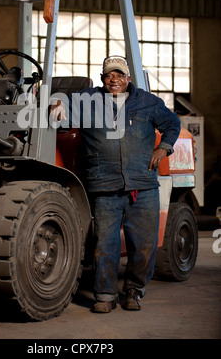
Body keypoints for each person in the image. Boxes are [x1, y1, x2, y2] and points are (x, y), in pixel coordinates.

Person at [50, 55, 181, 313]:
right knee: (104, 245)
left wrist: (164, 148)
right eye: (110, 75)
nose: (115, 79)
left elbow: (173, 123)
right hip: (104, 186)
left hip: (142, 185)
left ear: (128, 79)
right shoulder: (88, 101)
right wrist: (58, 101)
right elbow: (63, 107)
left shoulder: (148, 102)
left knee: (143, 245)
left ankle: (134, 291)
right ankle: (105, 295)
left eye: (120, 75)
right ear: (103, 79)